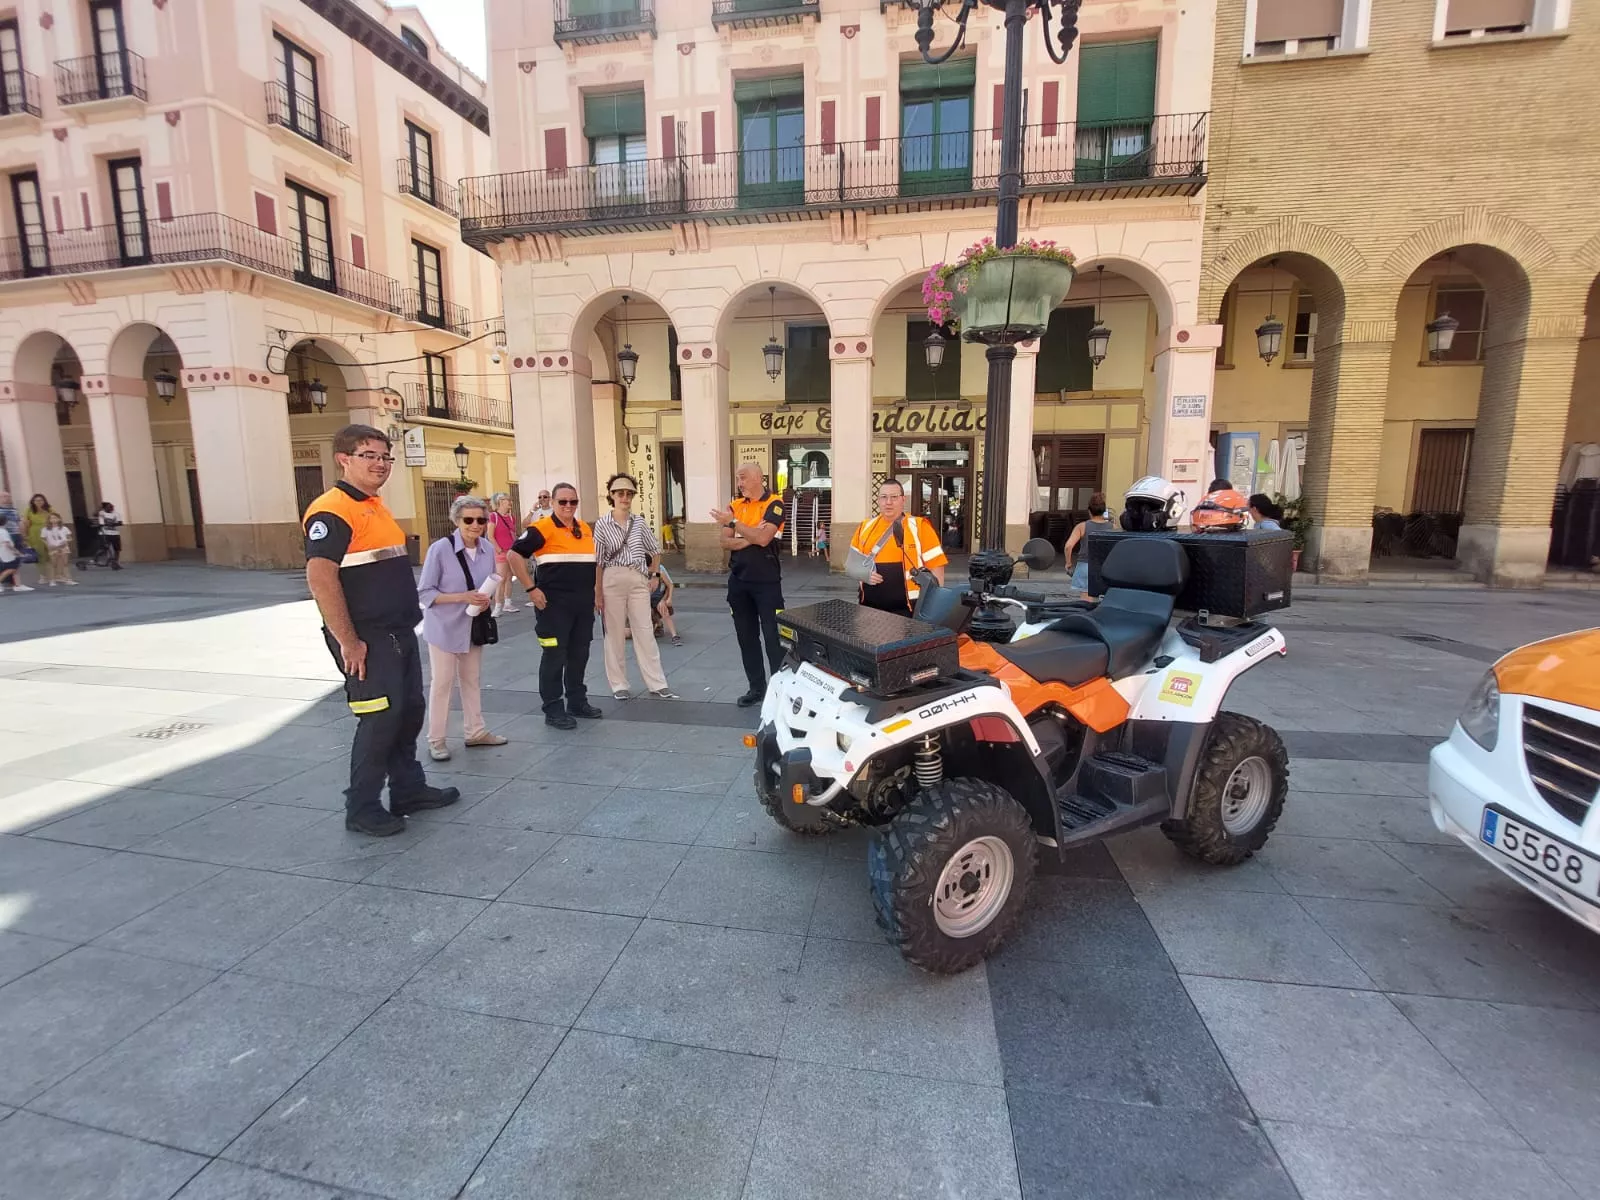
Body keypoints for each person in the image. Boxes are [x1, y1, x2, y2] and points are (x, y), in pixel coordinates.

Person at [304, 424, 459, 837]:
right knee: (378, 720)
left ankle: (408, 790)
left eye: (385, 456)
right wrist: (349, 642)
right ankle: (362, 806)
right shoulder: (332, 509)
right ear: (344, 459)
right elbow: (320, 578)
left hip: (398, 633)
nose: (380, 463)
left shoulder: (375, 505)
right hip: (368, 641)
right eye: (369, 455)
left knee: (407, 713)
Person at [418, 495, 509, 762]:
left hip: (472, 625)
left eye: (481, 520)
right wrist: (463, 597)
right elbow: (425, 593)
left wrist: (485, 600)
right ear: (457, 521)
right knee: (443, 683)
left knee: (471, 680)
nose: (475, 525)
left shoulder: (488, 550)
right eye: (468, 520)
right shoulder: (439, 550)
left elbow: (490, 583)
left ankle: (476, 732)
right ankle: (436, 740)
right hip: (444, 627)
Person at [507, 482, 603, 730]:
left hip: (582, 606)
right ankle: (553, 709)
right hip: (553, 607)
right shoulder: (542, 528)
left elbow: (592, 565)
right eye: (563, 502)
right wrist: (530, 588)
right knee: (554, 656)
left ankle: (577, 702)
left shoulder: (583, 529)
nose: (568, 506)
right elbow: (513, 555)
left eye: (573, 502)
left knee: (579, 654)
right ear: (553, 503)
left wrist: (595, 594)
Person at [595, 472, 677, 701]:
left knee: (645, 631)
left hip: (638, 578)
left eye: (629, 493)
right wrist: (597, 592)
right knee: (614, 634)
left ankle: (657, 683)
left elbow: (655, 551)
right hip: (611, 578)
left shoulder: (639, 522)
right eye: (620, 493)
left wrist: (654, 575)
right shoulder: (602, 524)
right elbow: (598, 562)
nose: (625, 497)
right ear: (611, 495)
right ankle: (618, 684)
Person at [712, 462, 785, 708]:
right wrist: (751, 536)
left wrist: (736, 526)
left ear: (758, 478)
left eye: (742, 478)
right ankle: (756, 688)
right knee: (747, 638)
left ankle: (777, 692)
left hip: (767, 584)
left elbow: (765, 538)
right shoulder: (734, 506)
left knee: (774, 639)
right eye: (737, 479)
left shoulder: (774, 503)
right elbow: (724, 543)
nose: (739, 483)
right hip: (739, 582)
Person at [849, 480, 947, 614]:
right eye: (884, 497)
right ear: (878, 500)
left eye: (894, 497)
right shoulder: (865, 527)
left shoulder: (920, 526)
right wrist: (863, 573)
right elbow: (851, 565)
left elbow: (937, 567)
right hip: (869, 609)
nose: (888, 502)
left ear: (903, 499)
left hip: (910, 610)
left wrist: (935, 605)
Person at [1064, 492, 1113, 593]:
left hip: (1085, 567)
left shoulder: (1082, 526)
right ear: (1104, 511)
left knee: (1085, 602)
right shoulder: (1112, 527)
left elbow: (1068, 546)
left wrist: (1068, 563)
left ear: (1089, 511)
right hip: (1105, 568)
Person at [487, 492, 519, 616]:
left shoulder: (511, 517)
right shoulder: (493, 516)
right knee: (501, 579)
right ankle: (497, 606)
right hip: (501, 552)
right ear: (500, 501)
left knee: (509, 578)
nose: (510, 502)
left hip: (511, 551)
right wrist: (498, 548)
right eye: (507, 499)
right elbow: (490, 535)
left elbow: (512, 534)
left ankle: (508, 603)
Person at [41, 512, 76, 585]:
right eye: (51, 518)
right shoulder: (45, 529)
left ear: (59, 519)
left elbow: (69, 537)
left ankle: (68, 579)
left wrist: (65, 542)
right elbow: (43, 538)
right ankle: (52, 580)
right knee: (53, 564)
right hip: (53, 548)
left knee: (65, 563)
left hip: (63, 547)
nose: (53, 519)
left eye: (55, 518)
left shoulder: (64, 528)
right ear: (49, 520)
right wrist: (48, 545)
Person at [650, 563, 681, 645]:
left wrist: (667, 599)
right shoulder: (638, 573)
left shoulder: (656, 572)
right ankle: (656, 627)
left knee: (663, 609)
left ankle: (674, 635)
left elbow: (669, 584)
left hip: (657, 598)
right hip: (646, 600)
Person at [22, 494, 52, 569]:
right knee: (39, 554)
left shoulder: (49, 509)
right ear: (33, 502)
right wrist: (25, 535)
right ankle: (43, 576)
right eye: (37, 500)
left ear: (44, 501)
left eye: (41, 500)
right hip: (35, 533)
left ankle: (53, 574)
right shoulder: (29, 510)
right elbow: (25, 523)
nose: (39, 502)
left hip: (49, 531)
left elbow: (56, 518)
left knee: (51, 552)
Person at [96, 501, 124, 569]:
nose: (112, 508)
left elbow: (120, 523)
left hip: (115, 533)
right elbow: (101, 523)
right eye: (109, 507)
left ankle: (116, 563)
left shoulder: (116, 514)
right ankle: (95, 559)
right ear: (105, 508)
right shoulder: (102, 513)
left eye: (112, 506)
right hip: (105, 533)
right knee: (104, 548)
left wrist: (113, 524)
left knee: (117, 549)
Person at [0, 522, 26, 592]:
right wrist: (16, 551)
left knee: (15, 568)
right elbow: (7, 544)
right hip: (7, 552)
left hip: (4, 552)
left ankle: (18, 585)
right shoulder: (3, 531)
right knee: (12, 569)